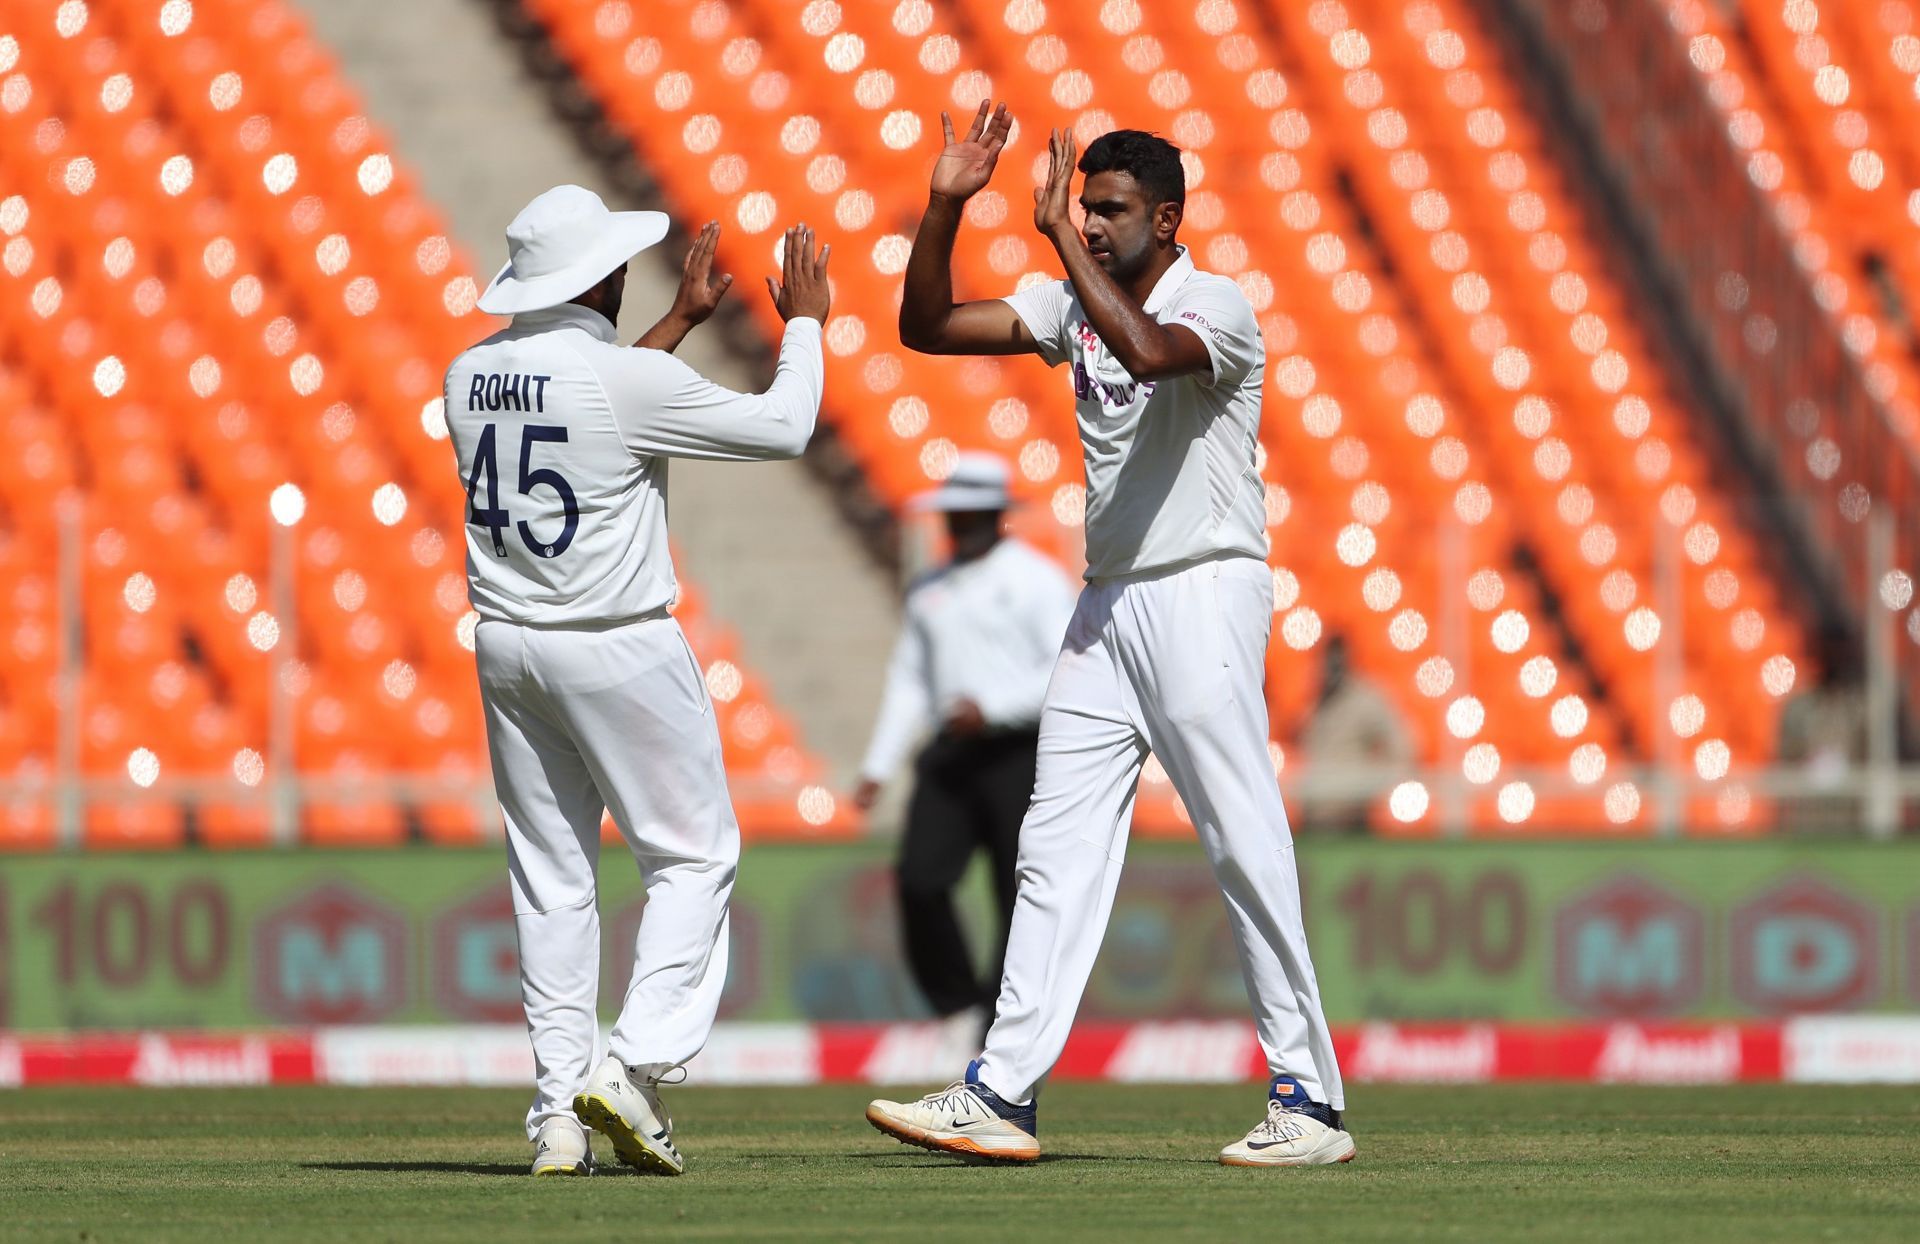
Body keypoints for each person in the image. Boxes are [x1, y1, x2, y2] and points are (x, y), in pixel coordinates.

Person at [863, 105, 1353, 1166]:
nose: (1087, 224)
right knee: (1055, 843)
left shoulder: (1210, 304)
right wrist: (948, 201)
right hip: (1109, 602)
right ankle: (1005, 1087)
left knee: (1241, 838)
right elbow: (928, 326)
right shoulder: (1069, 300)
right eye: (1082, 208)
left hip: (1203, 591)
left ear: (1168, 219)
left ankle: (1309, 1099)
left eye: (1111, 211)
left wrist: (1050, 246)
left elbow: (1144, 348)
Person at [444, 185, 830, 1176]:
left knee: (552, 879)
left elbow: (589, 404)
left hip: (508, 644)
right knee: (694, 857)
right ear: (600, 276)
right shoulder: (615, 379)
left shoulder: (467, 371)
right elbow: (783, 427)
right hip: (616, 641)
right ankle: (634, 1064)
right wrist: (808, 331)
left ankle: (556, 1120)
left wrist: (679, 324)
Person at [852, 452, 1078, 1045]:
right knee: (920, 879)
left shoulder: (1035, 580)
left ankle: (1002, 1024)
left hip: (1019, 754)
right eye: (955, 515)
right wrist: (878, 764)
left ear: (996, 516)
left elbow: (1062, 670)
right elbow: (909, 680)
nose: (961, 525)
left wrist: (993, 708)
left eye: (972, 514)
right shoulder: (929, 588)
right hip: (951, 751)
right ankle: (959, 1006)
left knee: (1018, 891)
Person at [1297, 634, 1415, 832]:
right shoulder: (1314, 702)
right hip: (1314, 815)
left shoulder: (1366, 699)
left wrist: (1369, 785)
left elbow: (1405, 746)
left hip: (1350, 817)